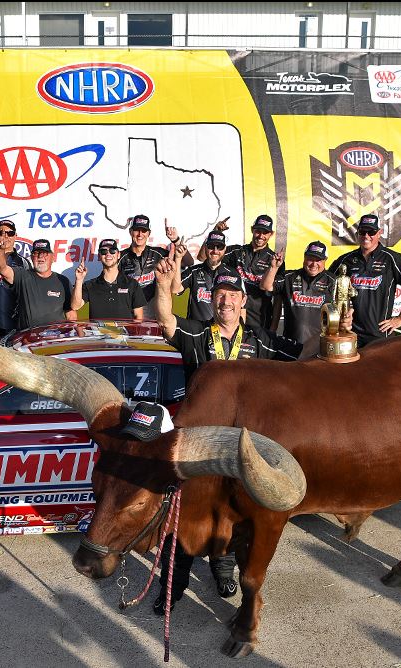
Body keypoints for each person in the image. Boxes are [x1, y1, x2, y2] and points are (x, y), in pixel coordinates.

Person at [151, 251, 302, 615]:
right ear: (212, 298)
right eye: (220, 293)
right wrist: (161, 285)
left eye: (233, 295)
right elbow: (167, 320)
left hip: (242, 448)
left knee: (233, 513)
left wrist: (338, 332)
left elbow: (300, 359)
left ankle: (222, 569)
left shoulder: (260, 339)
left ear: (242, 301)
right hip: (200, 446)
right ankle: (173, 586)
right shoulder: (198, 333)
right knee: (186, 518)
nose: (226, 300)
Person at [328, 214, 401, 348]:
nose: (366, 236)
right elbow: (327, 285)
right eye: (362, 232)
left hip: (379, 335)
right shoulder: (346, 260)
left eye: (371, 232)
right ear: (357, 233)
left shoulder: (392, 258)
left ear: (379, 233)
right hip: (349, 332)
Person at [262, 240, 341, 359]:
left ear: (325, 260)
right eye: (310, 258)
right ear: (304, 258)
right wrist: (274, 267)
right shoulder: (289, 277)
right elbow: (266, 286)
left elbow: (344, 311)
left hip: (319, 347)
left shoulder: (333, 281)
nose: (314, 264)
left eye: (318, 260)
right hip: (290, 345)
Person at [205, 214, 282, 330]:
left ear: (271, 234)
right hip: (232, 317)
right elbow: (203, 258)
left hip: (260, 321)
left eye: (265, 232)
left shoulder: (275, 260)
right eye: (258, 231)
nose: (261, 236)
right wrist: (215, 232)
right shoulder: (236, 252)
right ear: (252, 230)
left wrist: (274, 327)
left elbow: (278, 300)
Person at [0, 236, 75, 329]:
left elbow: (70, 313)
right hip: (28, 339)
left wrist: (73, 335)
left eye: (44, 253)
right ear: (31, 257)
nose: (40, 256)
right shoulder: (22, 275)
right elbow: (2, 269)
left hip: (54, 339)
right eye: (36, 253)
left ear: (53, 257)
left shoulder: (63, 281)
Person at [118, 214, 191, 318]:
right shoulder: (120, 257)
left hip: (155, 316)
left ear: (149, 233)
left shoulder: (158, 253)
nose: (140, 234)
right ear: (130, 232)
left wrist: (175, 240)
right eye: (136, 230)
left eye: (143, 231)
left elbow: (188, 262)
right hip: (129, 317)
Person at [71, 239, 146, 319]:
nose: (108, 254)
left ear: (118, 254)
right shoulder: (90, 285)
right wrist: (79, 280)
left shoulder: (132, 284)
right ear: (99, 256)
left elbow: (139, 317)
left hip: (124, 331)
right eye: (104, 251)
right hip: (97, 331)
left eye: (112, 250)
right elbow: (75, 306)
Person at [176, 230, 228, 321]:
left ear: (225, 249)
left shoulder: (231, 274)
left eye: (219, 247)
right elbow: (175, 289)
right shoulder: (194, 271)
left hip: (221, 331)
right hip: (196, 331)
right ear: (205, 248)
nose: (215, 251)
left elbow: (241, 307)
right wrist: (178, 258)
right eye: (211, 246)